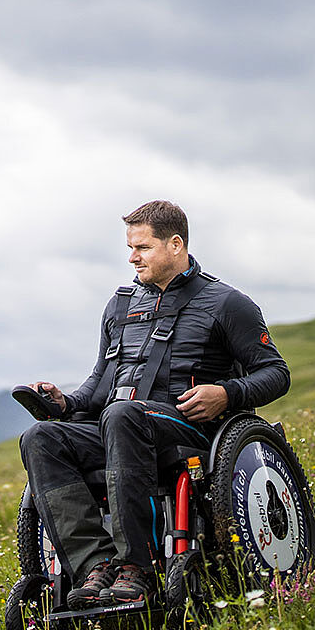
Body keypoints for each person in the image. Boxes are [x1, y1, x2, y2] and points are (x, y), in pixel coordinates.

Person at [19, 200, 290, 608]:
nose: (132, 257)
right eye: (130, 247)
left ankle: (138, 567)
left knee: (123, 415)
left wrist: (226, 394)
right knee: (40, 436)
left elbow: (276, 373)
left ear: (175, 245)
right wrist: (64, 402)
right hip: (118, 423)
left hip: (188, 427)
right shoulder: (120, 306)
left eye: (142, 248)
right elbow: (100, 385)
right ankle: (95, 565)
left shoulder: (227, 304)